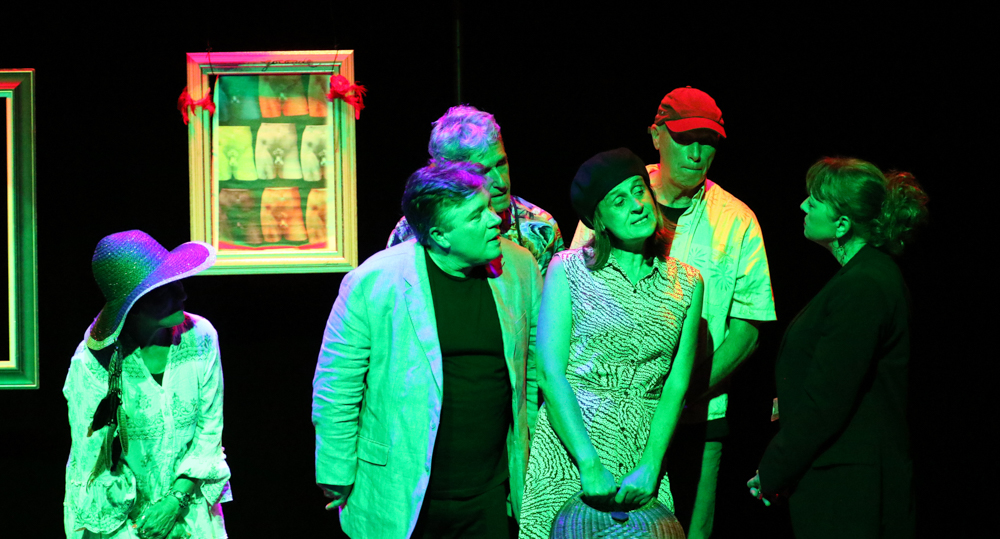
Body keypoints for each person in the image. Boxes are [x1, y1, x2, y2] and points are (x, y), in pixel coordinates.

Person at [569, 87, 776, 538]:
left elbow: (749, 328)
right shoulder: (614, 193)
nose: (698, 154)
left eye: (709, 142)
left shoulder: (736, 219)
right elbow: (576, 297)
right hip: (607, 413)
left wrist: (683, 392)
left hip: (699, 418)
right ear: (656, 135)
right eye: (685, 139)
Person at [313, 162, 542, 539]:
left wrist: (527, 462)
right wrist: (335, 472)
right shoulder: (373, 282)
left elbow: (531, 373)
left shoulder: (520, 267)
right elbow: (336, 386)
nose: (494, 220)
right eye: (476, 215)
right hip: (401, 492)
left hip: (489, 492)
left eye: (489, 206)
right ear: (440, 235)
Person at [519, 148, 704, 538]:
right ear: (599, 219)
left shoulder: (687, 282)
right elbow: (550, 374)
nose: (637, 205)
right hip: (571, 447)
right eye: (619, 201)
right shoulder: (568, 269)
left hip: (642, 452)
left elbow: (676, 385)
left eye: (639, 191)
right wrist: (588, 463)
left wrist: (651, 465)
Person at [747, 157, 927, 538]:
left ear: (842, 224)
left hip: (852, 493)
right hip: (844, 484)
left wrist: (774, 468)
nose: (803, 206)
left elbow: (827, 399)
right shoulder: (862, 277)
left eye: (814, 201)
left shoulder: (865, 285)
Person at [63, 230, 231, 539]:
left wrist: (175, 501)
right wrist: (139, 526)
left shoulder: (200, 336)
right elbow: (95, 462)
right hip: (121, 522)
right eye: (165, 289)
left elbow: (209, 429)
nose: (182, 294)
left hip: (189, 507)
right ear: (134, 305)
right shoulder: (92, 364)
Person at [388, 105, 564, 275]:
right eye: (483, 171)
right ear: (448, 175)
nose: (501, 182)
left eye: (501, 164)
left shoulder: (541, 229)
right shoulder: (410, 230)